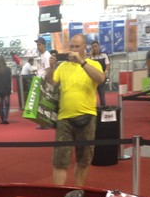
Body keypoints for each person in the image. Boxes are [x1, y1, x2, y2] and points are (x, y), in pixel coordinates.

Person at [45, 33, 105, 187]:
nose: (73, 49)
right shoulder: (63, 66)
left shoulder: (94, 64)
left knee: (84, 160)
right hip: (64, 118)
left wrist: (82, 63)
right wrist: (51, 68)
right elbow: (51, 82)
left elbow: (100, 79)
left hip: (87, 116)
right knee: (60, 160)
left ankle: (78, 192)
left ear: (84, 47)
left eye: (77, 46)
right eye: (71, 46)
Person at [88, 40, 110, 106]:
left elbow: (108, 65)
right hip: (92, 78)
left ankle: (103, 108)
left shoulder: (104, 55)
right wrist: (90, 56)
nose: (94, 48)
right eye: (92, 47)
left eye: (95, 46)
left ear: (99, 47)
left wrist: (105, 73)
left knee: (101, 93)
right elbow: (87, 65)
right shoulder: (90, 57)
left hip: (101, 77)